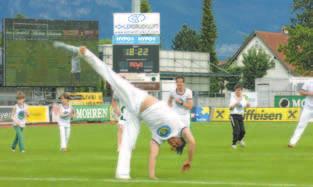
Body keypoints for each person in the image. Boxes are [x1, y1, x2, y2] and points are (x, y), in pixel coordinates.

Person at [53, 42, 196, 180]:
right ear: (179, 138)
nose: (173, 144)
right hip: (138, 99)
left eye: (173, 146)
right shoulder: (179, 127)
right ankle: (85, 53)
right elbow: (192, 142)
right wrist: (189, 160)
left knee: (128, 141)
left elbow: (153, 155)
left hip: (135, 114)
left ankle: (122, 174)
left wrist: (152, 176)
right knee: (113, 78)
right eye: (177, 143)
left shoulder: (159, 137)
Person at [288, 80, 313, 148]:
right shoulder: (309, 82)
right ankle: (292, 142)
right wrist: (309, 93)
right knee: (301, 125)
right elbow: (301, 92)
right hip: (308, 108)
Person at [229, 84, 250, 149]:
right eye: (237, 90)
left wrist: (248, 105)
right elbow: (230, 108)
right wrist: (235, 104)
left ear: (241, 91)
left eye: (239, 90)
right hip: (233, 116)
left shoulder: (244, 98)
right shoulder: (232, 98)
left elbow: (246, 105)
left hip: (240, 116)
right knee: (236, 130)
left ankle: (240, 140)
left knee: (243, 131)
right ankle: (234, 144)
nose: (238, 91)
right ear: (235, 90)